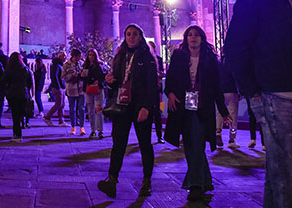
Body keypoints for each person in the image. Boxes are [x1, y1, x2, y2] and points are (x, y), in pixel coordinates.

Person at [223, 0, 292, 208]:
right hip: (274, 92)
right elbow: (235, 48)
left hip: (289, 89)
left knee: (278, 168)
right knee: (287, 171)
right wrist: (252, 93)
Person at [165, 25, 232, 202]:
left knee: (197, 142)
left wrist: (224, 112)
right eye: (189, 35)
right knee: (191, 142)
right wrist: (170, 93)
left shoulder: (210, 59)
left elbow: (217, 87)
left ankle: (195, 184)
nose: (193, 38)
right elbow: (170, 79)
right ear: (186, 39)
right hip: (184, 105)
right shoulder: (179, 57)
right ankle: (202, 182)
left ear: (202, 38)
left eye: (196, 35)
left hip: (203, 105)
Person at [97, 24, 159, 199]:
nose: (131, 37)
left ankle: (147, 181)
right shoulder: (120, 56)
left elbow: (151, 85)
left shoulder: (146, 57)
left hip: (140, 106)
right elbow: (116, 82)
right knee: (118, 144)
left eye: (135, 34)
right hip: (122, 105)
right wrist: (110, 81)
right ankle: (112, 179)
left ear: (141, 36)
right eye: (128, 34)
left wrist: (146, 107)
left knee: (145, 144)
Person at [1, 52, 34, 142]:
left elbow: (3, 81)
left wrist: (7, 88)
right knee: (21, 113)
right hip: (23, 93)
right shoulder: (25, 69)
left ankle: (17, 134)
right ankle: (20, 129)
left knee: (15, 115)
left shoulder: (9, 70)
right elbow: (30, 83)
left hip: (13, 94)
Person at [216, 53, 240, 148]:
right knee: (233, 115)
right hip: (232, 91)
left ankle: (218, 132)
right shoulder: (234, 63)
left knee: (220, 113)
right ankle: (232, 138)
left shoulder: (218, 64)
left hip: (221, 91)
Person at [82, 49, 106, 139]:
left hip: (98, 90)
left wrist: (98, 82)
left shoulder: (100, 65)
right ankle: (93, 130)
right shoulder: (85, 66)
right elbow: (83, 78)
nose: (91, 57)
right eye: (89, 55)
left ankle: (100, 130)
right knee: (91, 111)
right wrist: (83, 77)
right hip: (88, 90)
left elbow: (104, 77)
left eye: (92, 55)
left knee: (98, 110)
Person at [63, 48, 86, 136]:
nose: (79, 58)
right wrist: (71, 75)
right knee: (72, 109)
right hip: (71, 89)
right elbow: (63, 77)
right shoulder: (66, 65)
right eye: (78, 56)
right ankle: (73, 127)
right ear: (74, 56)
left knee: (81, 108)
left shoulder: (82, 64)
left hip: (80, 89)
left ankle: (82, 127)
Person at [45, 52, 66, 126]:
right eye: (64, 56)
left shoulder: (60, 65)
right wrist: (58, 86)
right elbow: (55, 76)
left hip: (61, 87)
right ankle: (47, 117)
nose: (65, 58)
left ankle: (61, 121)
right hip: (57, 87)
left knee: (62, 104)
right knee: (58, 104)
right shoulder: (56, 65)